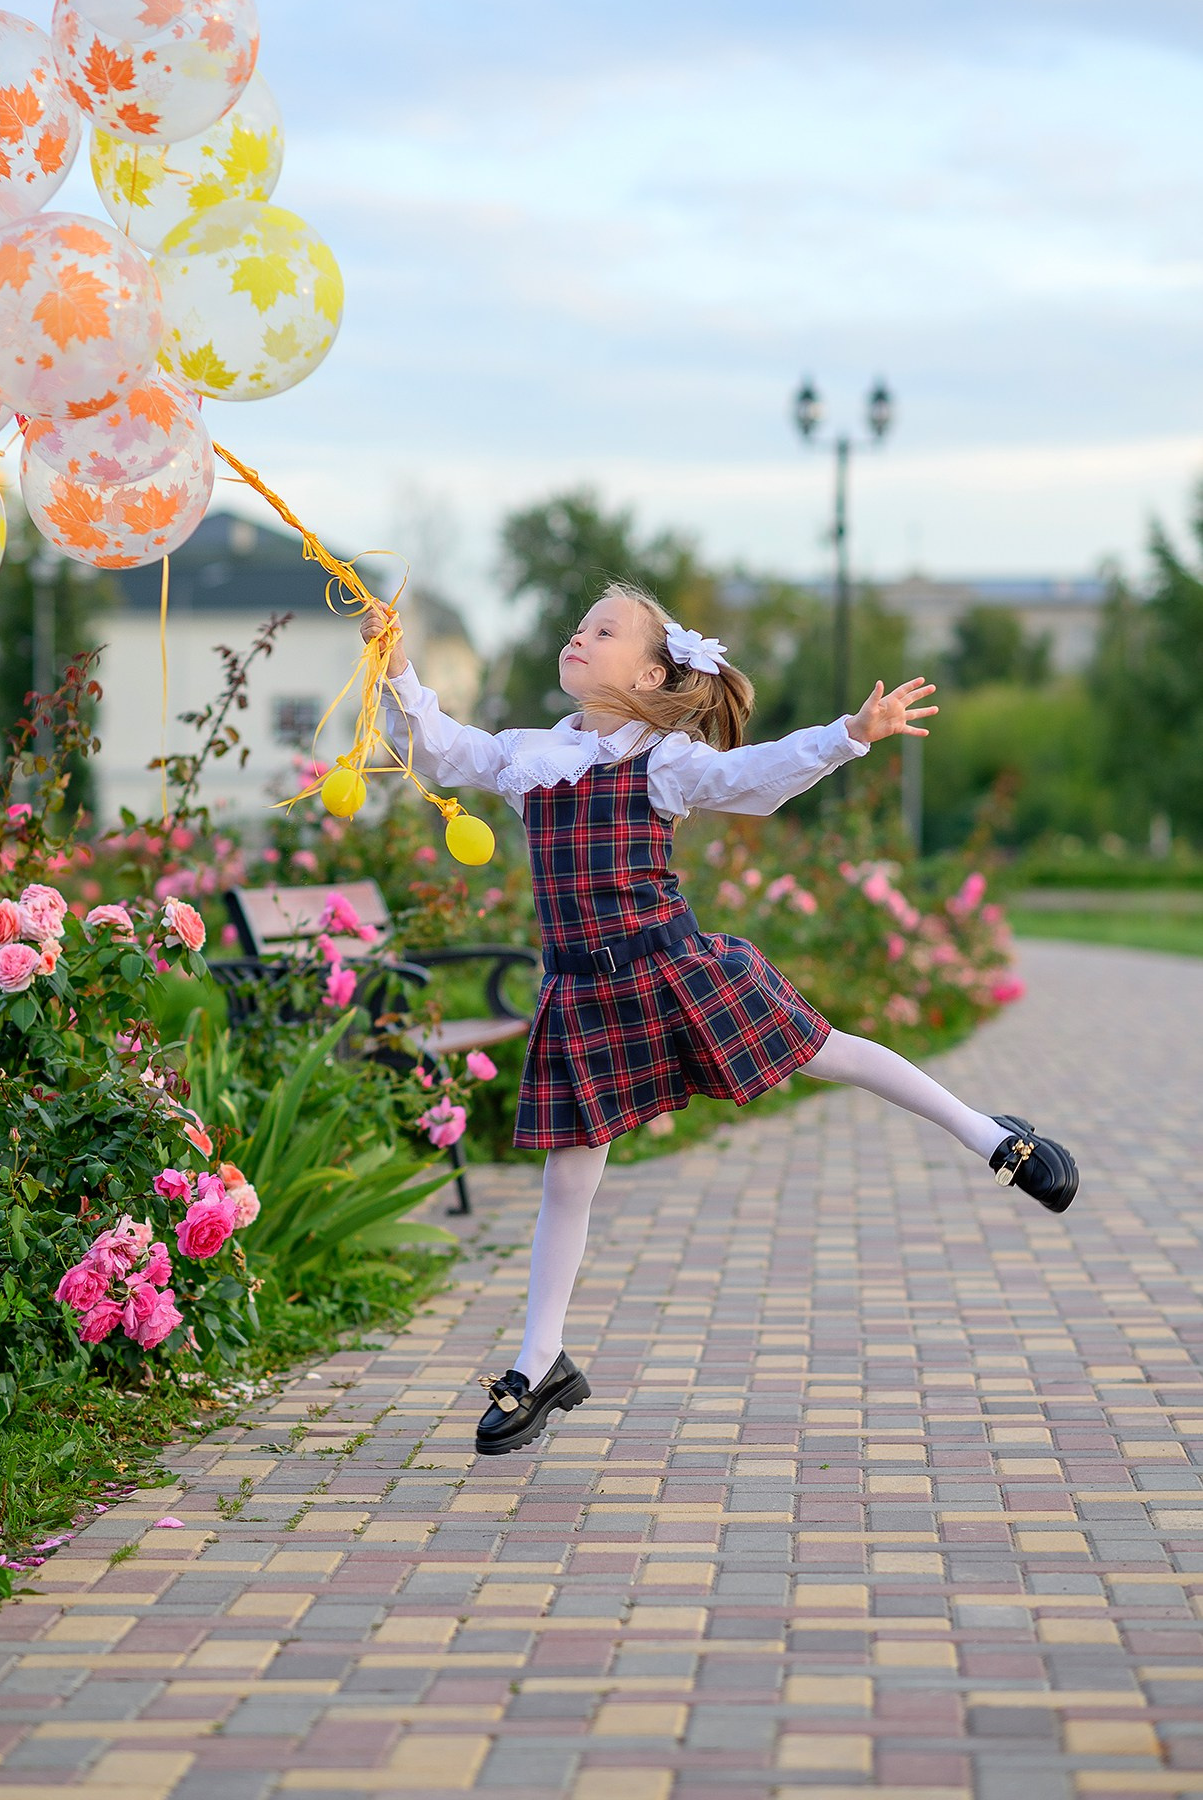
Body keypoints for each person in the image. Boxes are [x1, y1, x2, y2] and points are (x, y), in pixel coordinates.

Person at [362, 584, 1078, 1456]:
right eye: (578, 625)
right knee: (567, 1183)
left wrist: (848, 735)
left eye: (603, 629)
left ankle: (993, 1138)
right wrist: (393, 662)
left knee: (829, 1053)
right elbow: (439, 750)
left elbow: (750, 778)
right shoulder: (528, 755)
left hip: (674, 969)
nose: (577, 637)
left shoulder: (665, 759)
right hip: (584, 993)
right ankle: (538, 1363)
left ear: (653, 671)